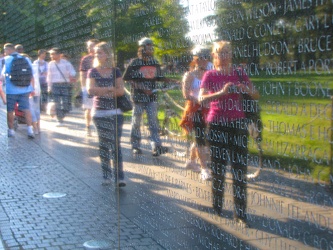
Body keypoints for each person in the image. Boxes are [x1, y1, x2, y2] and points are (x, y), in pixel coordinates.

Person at [198, 41, 259, 227]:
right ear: (213, 56)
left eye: (226, 52)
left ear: (231, 54)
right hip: (216, 124)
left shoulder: (239, 73)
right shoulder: (210, 74)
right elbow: (201, 98)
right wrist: (221, 92)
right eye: (219, 53)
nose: (223, 56)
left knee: (239, 170)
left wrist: (244, 89)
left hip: (237, 124)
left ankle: (240, 213)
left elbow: (255, 95)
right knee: (219, 168)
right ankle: (217, 205)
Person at [87, 42, 126, 187]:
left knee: (116, 144)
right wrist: (110, 89)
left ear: (107, 54)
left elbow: (121, 91)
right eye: (96, 53)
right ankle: (106, 175)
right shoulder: (93, 71)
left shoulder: (115, 71)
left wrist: (102, 90)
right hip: (99, 113)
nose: (97, 55)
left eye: (100, 52)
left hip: (115, 112)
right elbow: (90, 90)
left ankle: (119, 177)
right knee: (103, 144)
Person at [123, 37, 169, 156]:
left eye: (151, 46)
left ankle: (156, 146)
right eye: (148, 46)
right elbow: (127, 78)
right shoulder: (135, 63)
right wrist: (141, 87)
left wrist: (173, 81)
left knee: (153, 122)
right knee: (136, 121)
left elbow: (159, 77)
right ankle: (135, 146)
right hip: (138, 98)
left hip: (151, 97)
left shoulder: (154, 62)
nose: (150, 48)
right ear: (142, 48)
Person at [180, 45, 213, 180]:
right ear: (195, 59)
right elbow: (185, 94)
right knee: (200, 138)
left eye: (206, 58)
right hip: (195, 110)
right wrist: (198, 100)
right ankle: (204, 169)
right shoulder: (190, 75)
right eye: (200, 58)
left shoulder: (210, 74)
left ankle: (191, 161)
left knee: (203, 137)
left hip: (209, 110)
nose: (203, 60)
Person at [1, 43, 35, 138]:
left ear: (8, 50)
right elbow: (31, 74)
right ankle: (30, 130)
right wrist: (32, 88)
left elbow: (2, 76)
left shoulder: (6, 60)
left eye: (5, 50)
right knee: (26, 109)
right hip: (25, 89)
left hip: (11, 90)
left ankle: (11, 131)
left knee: (10, 110)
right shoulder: (26, 59)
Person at [46, 47, 76, 126]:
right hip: (55, 85)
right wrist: (49, 87)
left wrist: (71, 74)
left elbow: (73, 71)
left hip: (64, 84)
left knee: (66, 103)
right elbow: (49, 76)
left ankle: (62, 114)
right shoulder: (50, 64)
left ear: (59, 54)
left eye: (53, 54)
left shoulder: (66, 63)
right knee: (57, 103)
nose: (51, 56)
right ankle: (59, 119)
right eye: (50, 54)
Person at [79, 39, 99, 136]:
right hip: (88, 86)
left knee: (98, 107)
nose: (89, 48)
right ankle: (88, 126)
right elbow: (82, 74)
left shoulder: (103, 57)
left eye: (91, 46)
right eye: (88, 46)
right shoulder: (86, 59)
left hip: (100, 86)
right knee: (89, 108)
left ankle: (98, 127)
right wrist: (83, 87)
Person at [30, 58, 41, 134]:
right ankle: (38, 127)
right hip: (37, 90)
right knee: (37, 109)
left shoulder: (26, 67)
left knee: (31, 109)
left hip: (29, 90)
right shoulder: (36, 66)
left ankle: (35, 128)